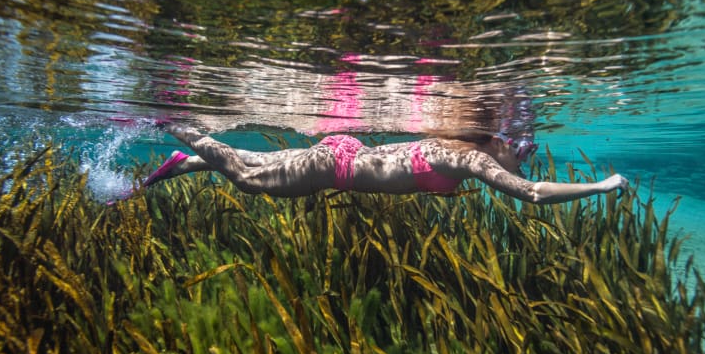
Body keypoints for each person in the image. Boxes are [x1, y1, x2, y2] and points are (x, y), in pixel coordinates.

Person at [134, 123, 628, 205]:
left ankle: (187, 159)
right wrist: (602, 187)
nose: (525, 155)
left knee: (254, 161)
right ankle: (171, 124)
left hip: (341, 153)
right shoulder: (469, 158)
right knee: (246, 178)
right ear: (493, 143)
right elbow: (533, 194)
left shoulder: (457, 150)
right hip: (333, 167)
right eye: (520, 148)